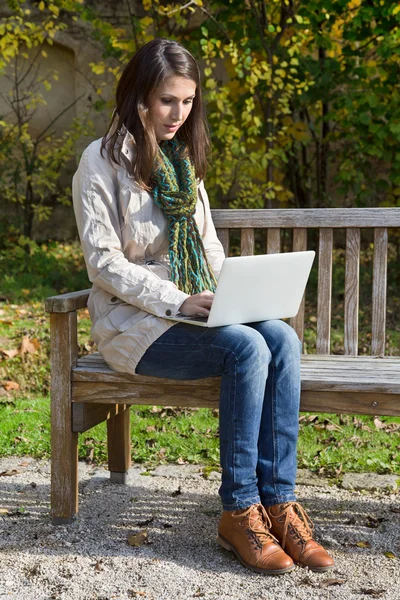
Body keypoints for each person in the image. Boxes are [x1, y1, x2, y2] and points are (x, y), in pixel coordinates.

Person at [72, 38, 334, 575]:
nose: (179, 114)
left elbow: (208, 246)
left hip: (193, 312)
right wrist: (179, 300)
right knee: (243, 347)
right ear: (139, 98)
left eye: (188, 101)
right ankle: (239, 510)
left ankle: (279, 503)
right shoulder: (98, 163)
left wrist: (231, 294)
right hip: (134, 327)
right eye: (168, 100)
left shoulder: (183, 162)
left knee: (280, 338)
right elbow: (104, 266)